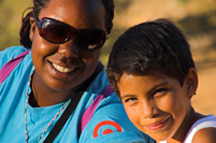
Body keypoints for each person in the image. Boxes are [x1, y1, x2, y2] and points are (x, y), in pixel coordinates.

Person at [0, 0, 155, 142]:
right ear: (34, 29)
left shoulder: (111, 107)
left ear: (102, 44)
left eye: (89, 38)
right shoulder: (7, 66)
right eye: (55, 31)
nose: (68, 51)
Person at [106, 18, 216, 143]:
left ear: (189, 82)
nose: (148, 112)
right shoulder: (165, 138)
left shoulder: (205, 137)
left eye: (158, 92)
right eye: (131, 99)